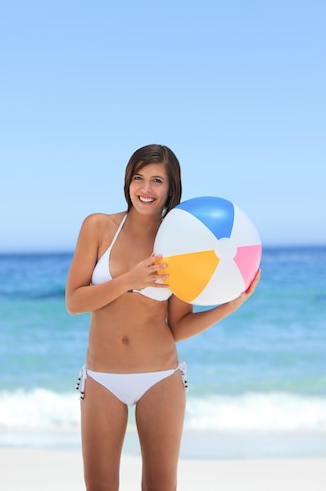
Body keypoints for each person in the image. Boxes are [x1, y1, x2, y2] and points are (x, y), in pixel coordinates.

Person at [66, 144, 260, 491]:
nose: (146, 189)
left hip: (160, 378)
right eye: (139, 178)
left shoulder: (181, 242)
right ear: (128, 181)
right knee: (98, 485)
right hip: (101, 379)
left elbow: (179, 327)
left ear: (172, 188)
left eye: (157, 181)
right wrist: (130, 281)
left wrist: (231, 305)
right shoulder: (98, 227)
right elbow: (75, 302)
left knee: (160, 485)